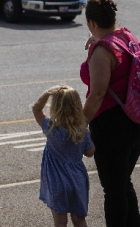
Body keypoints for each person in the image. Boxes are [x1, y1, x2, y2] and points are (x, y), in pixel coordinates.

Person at [81, 0, 140, 227]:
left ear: (92, 23)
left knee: (113, 191)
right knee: (122, 185)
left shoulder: (103, 52)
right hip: (139, 123)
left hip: (114, 130)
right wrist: (96, 41)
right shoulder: (126, 37)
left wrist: (78, 125)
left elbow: (97, 95)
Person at [32, 85, 95, 227]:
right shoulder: (81, 131)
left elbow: (36, 108)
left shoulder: (50, 128)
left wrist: (48, 93)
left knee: (60, 221)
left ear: (55, 107)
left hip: (56, 180)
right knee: (79, 219)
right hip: (77, 179)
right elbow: (90, 153)